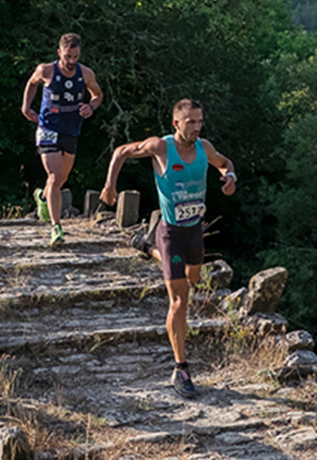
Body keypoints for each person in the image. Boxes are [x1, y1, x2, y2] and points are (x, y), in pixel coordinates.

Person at [100, 99, 237, 398]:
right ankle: (181, 367)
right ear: (176, 123)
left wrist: (230, 178)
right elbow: (121, 151)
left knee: (194, 280)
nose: (197, 127)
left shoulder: (204, 148)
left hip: (194, 233)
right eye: (191, 122)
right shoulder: (160, 148)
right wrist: (110, 185)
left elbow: (226, 163)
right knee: (180, 301)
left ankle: (147, 249)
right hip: (171, 232)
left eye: (200, 121)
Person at [21, 33, 103, 247]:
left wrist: (91, 107)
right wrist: (26, 106)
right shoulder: (46, 70)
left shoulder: (86, 74)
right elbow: (32, 83)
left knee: (61, 179)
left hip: (71, 130)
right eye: (68, 56)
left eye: (75, 56)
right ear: (59, 53)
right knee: (55, 175)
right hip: (48, 128)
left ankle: (43, 198)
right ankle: (56, 228)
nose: (71, 61)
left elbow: (98, 95)